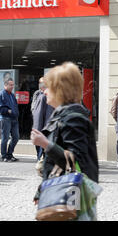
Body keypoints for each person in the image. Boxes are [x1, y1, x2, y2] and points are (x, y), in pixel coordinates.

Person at [30, 62, 99, 219]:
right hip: (64, 193)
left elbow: (76, 161)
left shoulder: (73, 118)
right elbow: (55, 163)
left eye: (48, 87)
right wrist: (42, 189)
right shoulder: (63, 115)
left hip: (72, 196)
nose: (45, 92)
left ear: (59, 90)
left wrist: (45, 144)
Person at [31, 77, 54, 160]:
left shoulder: (48, 95)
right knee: (40, 146)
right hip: (41, 124)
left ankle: (41, 159)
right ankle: (40, 159)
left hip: (46, 124)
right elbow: (36, 111)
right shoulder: (39, 95)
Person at [0, 78, 20, 162]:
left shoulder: (12, 95)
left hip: (14, 119)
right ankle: (4, 155)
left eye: (13, 85)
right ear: (5, 85)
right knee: (5, 138)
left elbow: (15, 106)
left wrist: (16, 113)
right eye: (10, 85)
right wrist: (8, 111)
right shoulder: (2, 94)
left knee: (16, 137)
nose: (12, 86)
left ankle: (9, 154)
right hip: (5, 118)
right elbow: (1, 108)